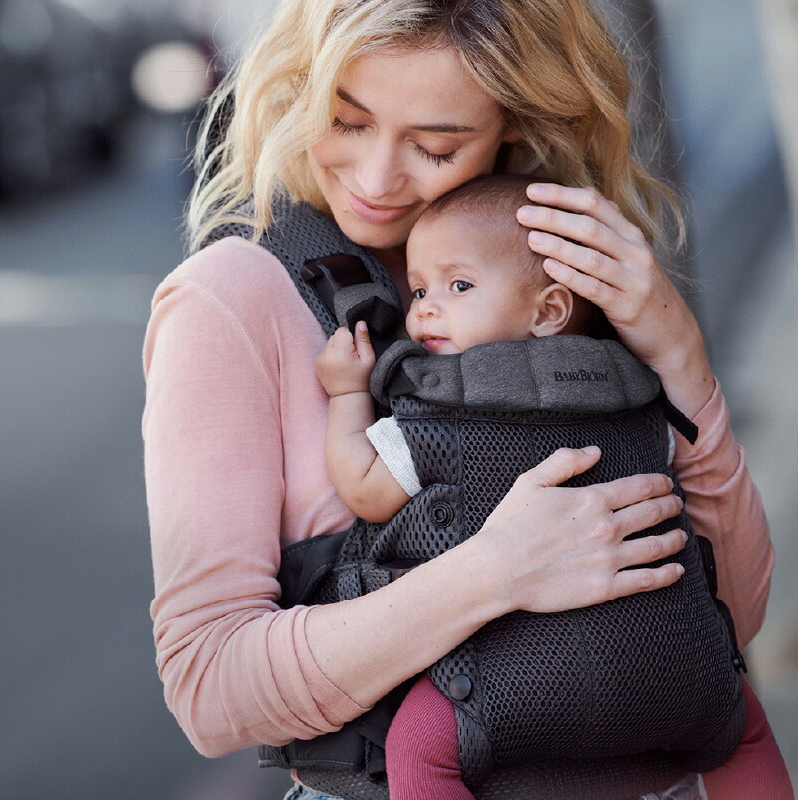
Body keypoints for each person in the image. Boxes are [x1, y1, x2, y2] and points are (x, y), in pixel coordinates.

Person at [141, 1, 785, 798]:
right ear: (299, 91)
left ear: (509, 128)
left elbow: (735, 615)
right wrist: (495, 573)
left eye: (435, 146)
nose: (378, 179)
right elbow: (211, 690)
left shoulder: (556, 272)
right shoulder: (227, 301)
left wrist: (680, 356)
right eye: (346, 122)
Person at [315, 172, 792, 800]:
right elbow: (691, 477)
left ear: (550, 310)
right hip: (669, 655)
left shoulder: (441, 404)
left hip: (511, 678)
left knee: (418, 750)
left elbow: (366, 488)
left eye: (458, 286)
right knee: (741, 731)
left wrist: (350, 393)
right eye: (421, 286)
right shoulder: (635, 383)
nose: (426, 308)